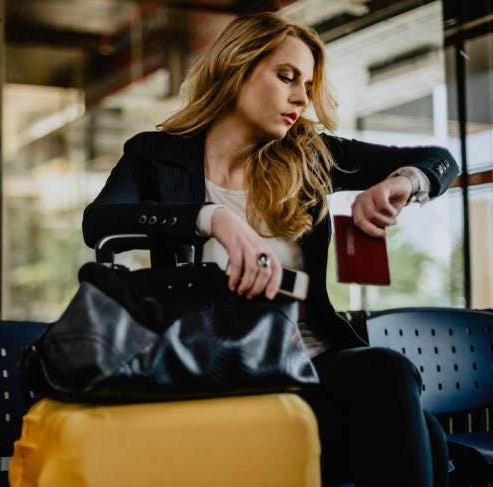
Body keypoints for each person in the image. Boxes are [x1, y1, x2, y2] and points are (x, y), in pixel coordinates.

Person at [82, 11, 458, 487]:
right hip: (217, 370)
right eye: (287, 77)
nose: (302, 97)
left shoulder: (311, 157)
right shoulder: (155, 156)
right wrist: (211, 218)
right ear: (237, 68)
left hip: (314, 364)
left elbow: (441, 160)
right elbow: (100, 222)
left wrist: (404, 182)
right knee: (416, 430)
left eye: (307, 83)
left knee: (387, 372)